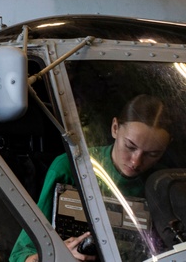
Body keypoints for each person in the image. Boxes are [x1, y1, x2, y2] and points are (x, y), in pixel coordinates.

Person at [10, 94, 172, 262]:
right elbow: (20, 255)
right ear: (115, 128)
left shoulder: (163, 184)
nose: (136, 161)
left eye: (152, 154)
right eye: (130, 146)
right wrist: (58, 255)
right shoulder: (70, 168)